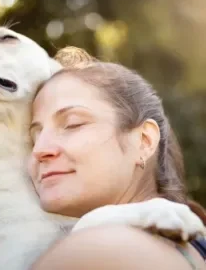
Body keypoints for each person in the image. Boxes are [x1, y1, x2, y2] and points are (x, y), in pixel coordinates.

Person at [27, 61, 206, 270]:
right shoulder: (190, 246)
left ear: (144, 140)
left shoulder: (96, 252)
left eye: (73, 124)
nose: (39, 150)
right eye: (33, 138)